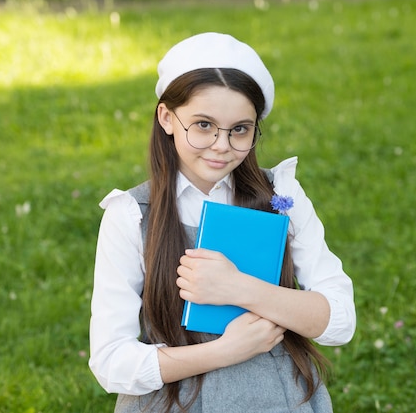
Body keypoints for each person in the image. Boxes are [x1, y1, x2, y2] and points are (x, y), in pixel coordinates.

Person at [89, 32, 356, 413]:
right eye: (203, 125)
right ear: (167, 117)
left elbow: (339, 322)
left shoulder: (281, 194)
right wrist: (225, 351)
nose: (221, 145)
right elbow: (111, 362)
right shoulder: (132, 214)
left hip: (278, 398)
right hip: (174, 401)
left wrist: (238, 287)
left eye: (240, 130)